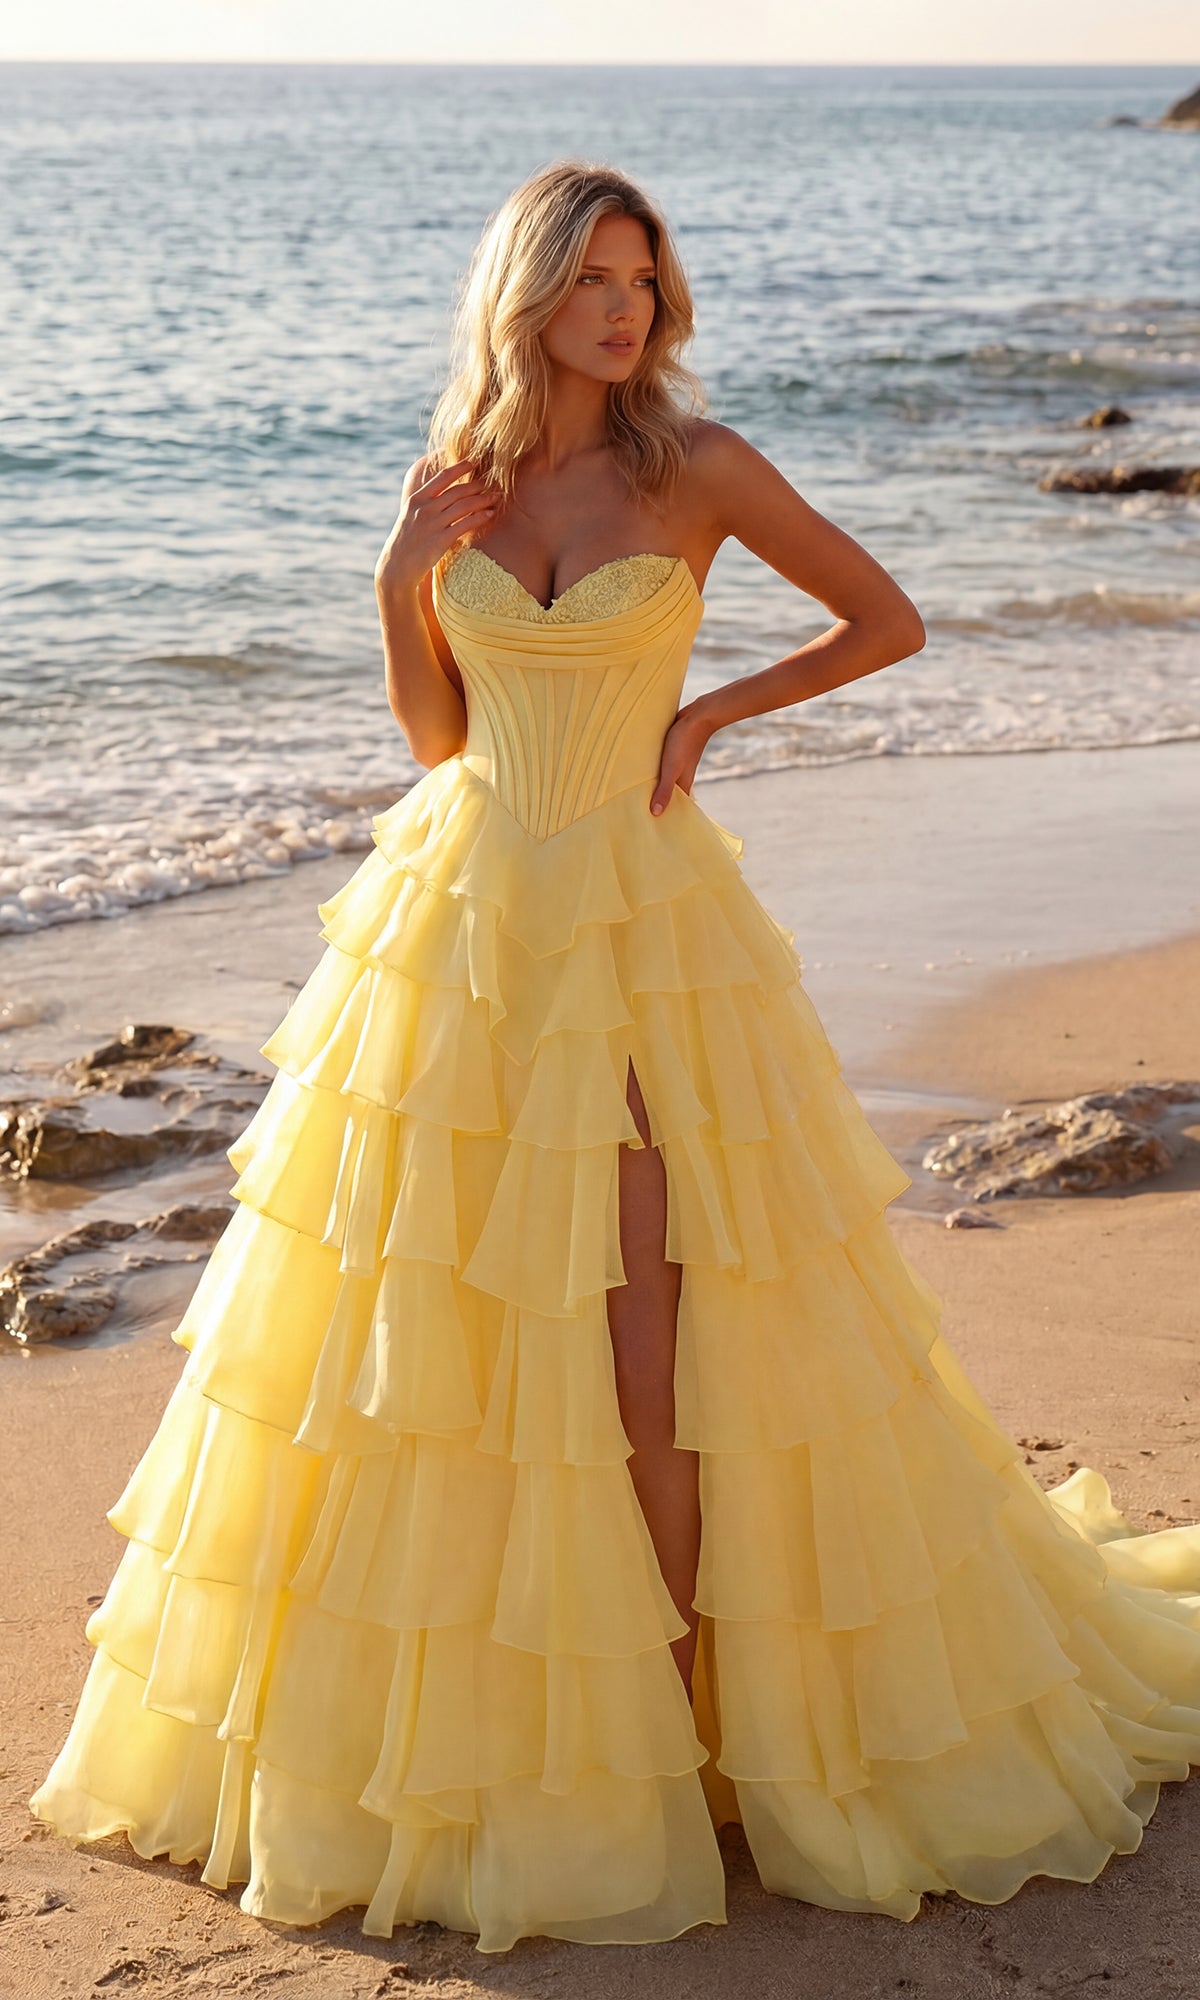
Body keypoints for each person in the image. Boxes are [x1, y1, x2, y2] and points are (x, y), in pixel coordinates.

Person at [30, 159, 1200, 1957]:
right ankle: (501, 1732)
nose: (625, 309)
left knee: (652, 1328)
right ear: (527, 297)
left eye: (643, 278)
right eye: (592, 279)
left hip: (643, 933)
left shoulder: (696, 469)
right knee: (435, 1339)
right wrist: (396, 579)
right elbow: (439, 740)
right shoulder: (459, 489)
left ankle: (688, 1739)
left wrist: (716, 709)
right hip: (463, 926)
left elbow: (886, 620)